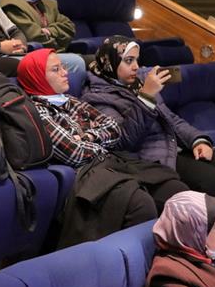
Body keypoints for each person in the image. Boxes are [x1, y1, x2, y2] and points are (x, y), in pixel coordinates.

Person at [17, 48, 181, 239]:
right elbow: (75, 153)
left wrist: (87, 136)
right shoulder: (37, 112)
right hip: (88, 174)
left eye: (63, 67)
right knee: (140, 205)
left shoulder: (70, 100)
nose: (65, 72)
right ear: (37, 77)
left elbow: (114, 128)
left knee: (174, 189)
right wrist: (98, 138)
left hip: (112, 162)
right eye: (56, 69)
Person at [84, 36, 215, 195]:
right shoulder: (96, 98)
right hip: (148, 159)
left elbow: (171, 119)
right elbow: (123, 141)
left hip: (173, 146)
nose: (136, 66)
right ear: (111, 62)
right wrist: (146, 98)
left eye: (136, 60)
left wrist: (198, 140)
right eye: (129, 61)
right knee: (210, 180)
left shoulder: (138, 84)